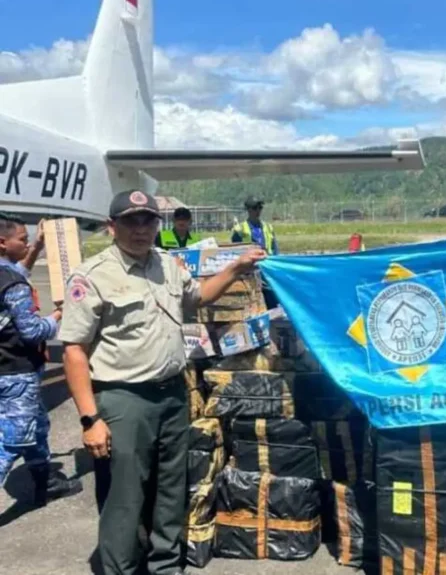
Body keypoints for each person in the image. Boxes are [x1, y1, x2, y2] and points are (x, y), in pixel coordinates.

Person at [58, 190, 266, 575]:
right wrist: (90, 419)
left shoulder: (167, 266)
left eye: (148, 221)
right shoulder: (92, 276)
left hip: (172, 393)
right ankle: (120, 568)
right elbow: (73, 352)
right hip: (123, 399)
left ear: (158, 225)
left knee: (170, 490)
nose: (141, 230)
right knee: (125, 495)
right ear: (112, 227)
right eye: (130, 221)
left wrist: (236, 268)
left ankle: (165, 566)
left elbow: (197, 296)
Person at [0, 214, 82, 505]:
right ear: (2, 242)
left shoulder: (6, 275)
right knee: (12, 442)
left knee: (37, 426)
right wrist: (60, 313)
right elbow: (33, 331)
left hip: (8, 369)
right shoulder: (13, 285)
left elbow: (17, 270)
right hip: (17, 371)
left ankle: (45, 482)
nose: (25, 244)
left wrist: (35, 247)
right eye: (22, 240)